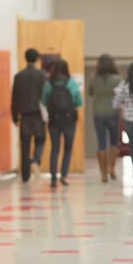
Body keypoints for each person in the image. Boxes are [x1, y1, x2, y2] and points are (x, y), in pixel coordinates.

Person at [42, 59, 83, 188]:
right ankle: (63, 176)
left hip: (54, 120)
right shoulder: (72, 83)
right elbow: (79, 102)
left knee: (55, 149)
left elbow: (44, 101)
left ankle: (53, 178)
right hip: (69, 120)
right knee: (68, 148)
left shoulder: (49, 84)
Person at [11, 48, 47, 182]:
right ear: (37, 59)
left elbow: (14, 98)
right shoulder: (42, 75)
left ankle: (25, 176)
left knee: (25, 144)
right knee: (40, 139)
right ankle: (35, 160)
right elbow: (44, 97)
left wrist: (15, 117)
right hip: (38, 115)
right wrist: (47, 116)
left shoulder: (18, 76)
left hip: (24, 115)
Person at [88, 54, 122, 183]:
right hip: (113, 113)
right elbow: (122, 94)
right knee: (115, 142)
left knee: (101, 143)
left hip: (98, 114)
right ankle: (111, 167)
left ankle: (103, 174)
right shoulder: (118, 79)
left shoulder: (94, 79)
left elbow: (90, 93)